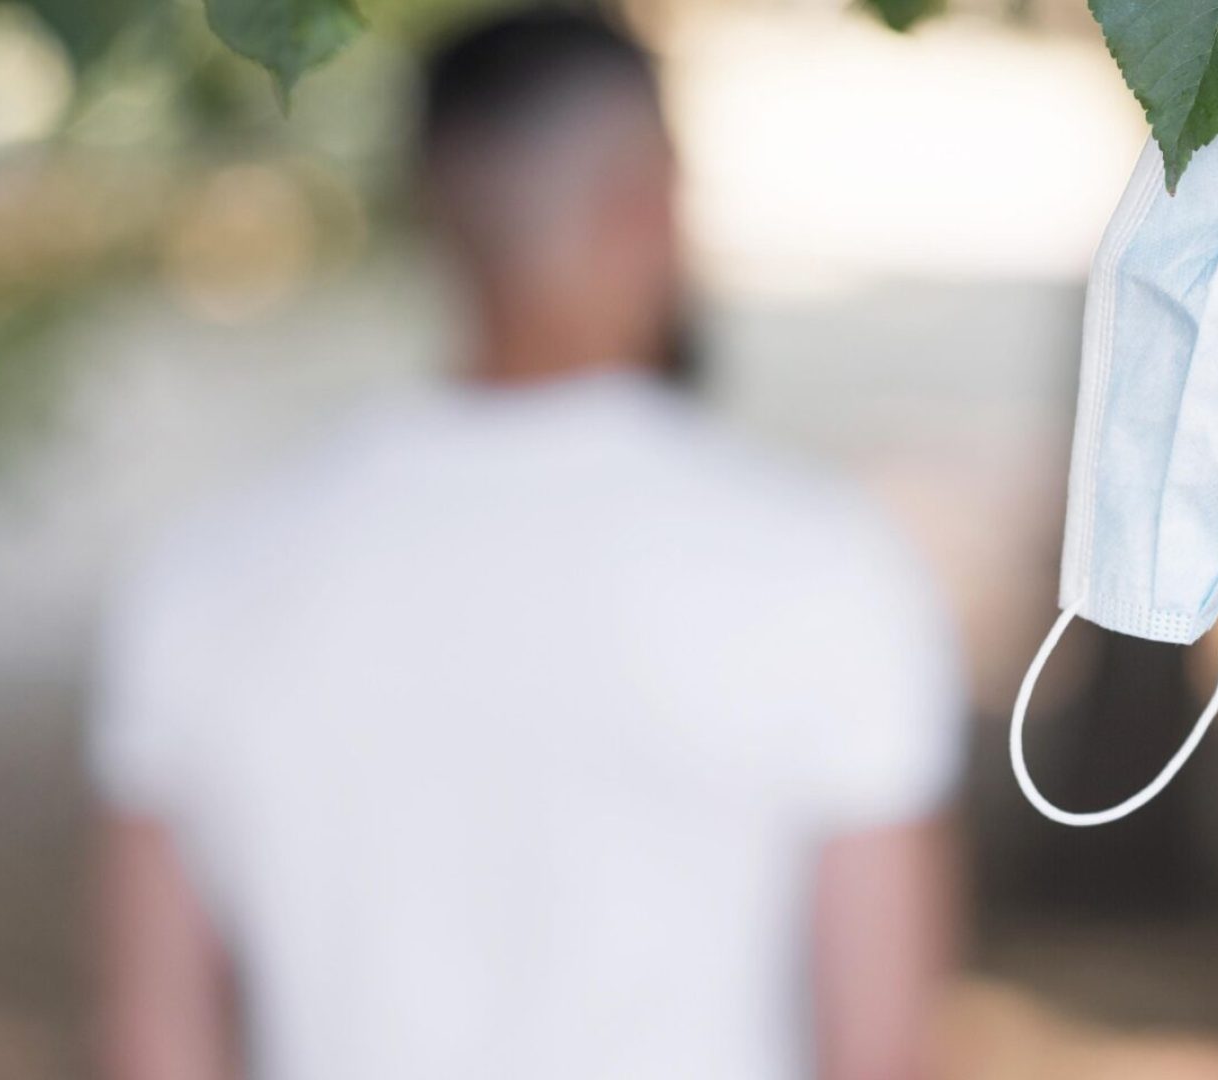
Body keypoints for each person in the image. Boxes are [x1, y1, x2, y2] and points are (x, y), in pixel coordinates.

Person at [90, 10, 965, 1080]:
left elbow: (155, 1045)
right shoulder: (823, 567)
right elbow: (879, 1049)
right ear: (650, 204)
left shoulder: (210, 572)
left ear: (433, 211)